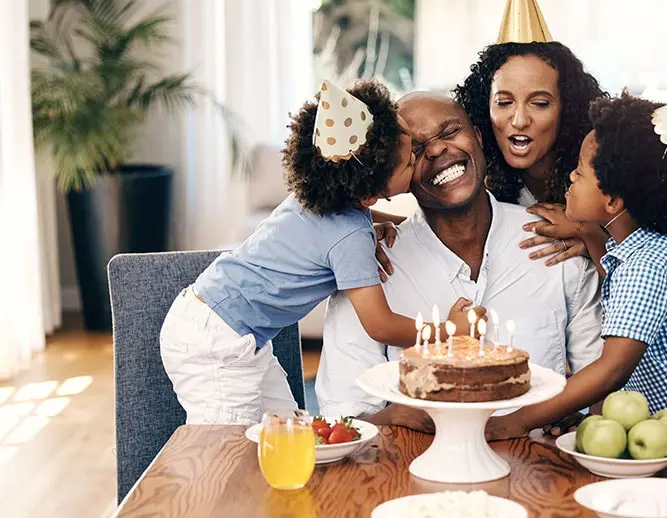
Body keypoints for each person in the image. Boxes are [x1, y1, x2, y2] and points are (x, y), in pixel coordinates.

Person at [159, 80, 480, 425]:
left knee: (287, 430)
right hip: (218, 342)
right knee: (224, 450)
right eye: (409, 161)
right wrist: (450, 330)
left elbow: (343, 227)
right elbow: (380, 325)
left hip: (223, 323)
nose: (419, 160)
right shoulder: (350, 237)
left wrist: (383, 225)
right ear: (371, 192)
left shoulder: (320, 198)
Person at [485, 89, 667, 440]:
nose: (570, 181)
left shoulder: (646, 266)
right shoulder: (661, 240)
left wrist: (520, 420)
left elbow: (612, 369)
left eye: (578, 174)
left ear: (612, 200)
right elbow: (627, 296)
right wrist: (588, 234)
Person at [316, 92, 604, 427]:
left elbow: (600, 388)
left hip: (535, 470)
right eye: (417, 150)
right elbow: (344, 416)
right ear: (397, 173)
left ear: (478, 138)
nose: (437, 150)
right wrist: (398, 416)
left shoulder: (557, 245)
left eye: (450, 132)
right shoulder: (370, 268)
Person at [451, 2, 667, 324]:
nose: (519, 120)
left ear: (567, 107)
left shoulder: (613, 160)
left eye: (540, 103)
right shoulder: (496, 183)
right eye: (504, 102)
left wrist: (590, 234)